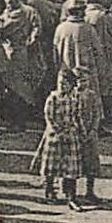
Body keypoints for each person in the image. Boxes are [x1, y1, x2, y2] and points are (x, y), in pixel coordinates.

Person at [36, 68, 86, 209]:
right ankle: (50, 191)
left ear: (71, 85)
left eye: (65, 83)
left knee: (71, 166)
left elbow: (77, 116)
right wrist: (58, 131)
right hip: (55, 136)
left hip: (71, 135)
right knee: (52, 165)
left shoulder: (74, 99)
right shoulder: (53, 98)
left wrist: (81, 131)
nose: (62, 85)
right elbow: (49, 117)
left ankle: (71, 196)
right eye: (60, 82)